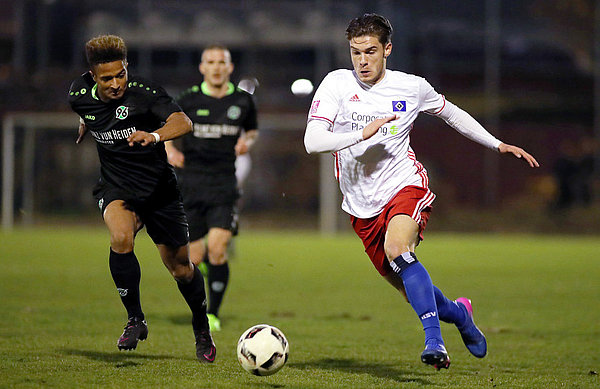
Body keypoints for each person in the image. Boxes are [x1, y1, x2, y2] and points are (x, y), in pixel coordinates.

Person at [304, 14, 539, 370]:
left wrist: (496, 144)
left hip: (404, 184)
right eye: (355, 53)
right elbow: (312, 141)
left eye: (370, 51)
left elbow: (451, 113)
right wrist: (361, 134)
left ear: (387, 50)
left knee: (398, 249)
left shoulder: (411, 87)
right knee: (410, 290)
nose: (362, 61)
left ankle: (435, 342)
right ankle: (460, 315)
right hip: (359, 205)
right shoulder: (336, 85)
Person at [68, 35, 216, 363]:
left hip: (159, 192)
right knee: (120, 237)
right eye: (107, 78)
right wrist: (85, 122)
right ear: (93, 77)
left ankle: (201, 325)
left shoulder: (144, 92)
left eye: (120, 74)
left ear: (126, 68)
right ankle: (136, 319)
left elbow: (183, 122)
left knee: (181, 269)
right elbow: (85, 110)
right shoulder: (78, 95)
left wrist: (154, 135)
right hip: (117, 187)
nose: (117, 83)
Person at [165, 45, 258, 332]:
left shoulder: (242, 101)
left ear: (230, 68)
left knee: (218, 250)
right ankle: (201, 294)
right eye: (211, 62)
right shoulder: (188, 99)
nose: (216, 67)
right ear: (202, 67)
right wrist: (169, 149)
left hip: (223, 186)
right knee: (193, 258)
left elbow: (252, 131)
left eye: (222, 62)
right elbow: (167, 124)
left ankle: (212, 313)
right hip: (191, 185)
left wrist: (247, 143)